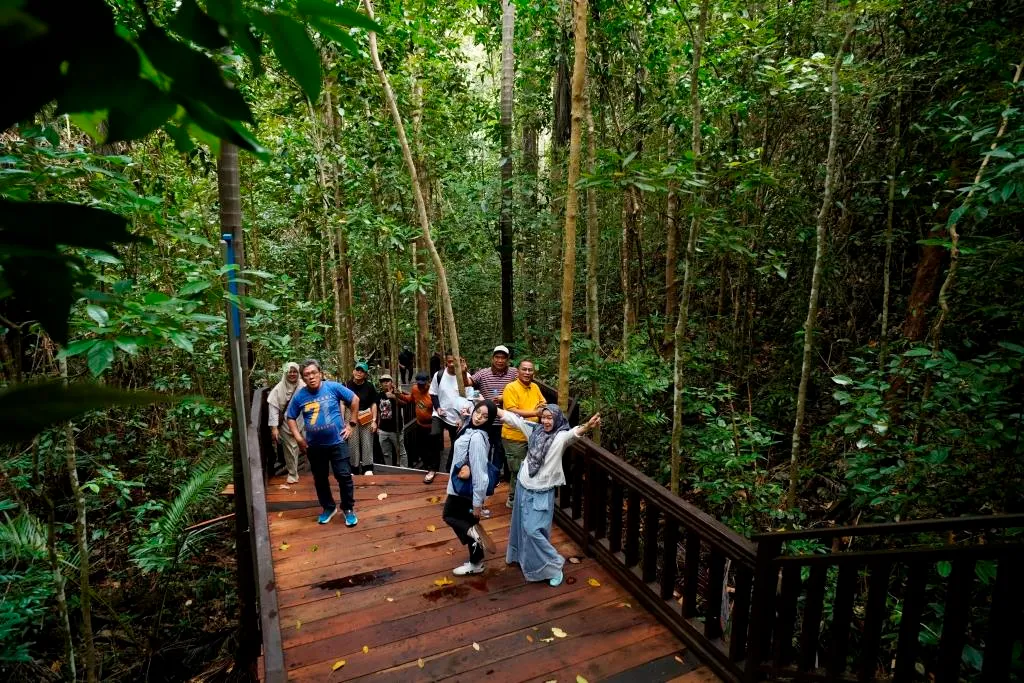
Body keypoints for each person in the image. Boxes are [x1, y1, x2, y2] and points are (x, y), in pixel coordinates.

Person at [501, 405, 601, 586]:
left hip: (542, 491)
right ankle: (520, 557)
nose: (546, 421)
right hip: (523, 486)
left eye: (550, 418)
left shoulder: (560, 437)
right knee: (519, 526)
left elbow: (574, 433)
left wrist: (588, 426)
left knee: (533, 531)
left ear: (557, 419)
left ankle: (554, 564)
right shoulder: (534, 430)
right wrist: (488, 408)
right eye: (544, 417)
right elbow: (512, 419)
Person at [286, 359, 360, 526]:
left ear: (320, 373)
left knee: (344, 476)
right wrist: (299, 438)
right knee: (320, 478)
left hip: (337, 442)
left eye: (313, 373)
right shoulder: (300, 396)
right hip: (314, 446)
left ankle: (348, 509)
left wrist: (351, 424)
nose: (311, 377)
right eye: (306, 375)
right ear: (303, 378)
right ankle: (328, 507)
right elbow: (290, 417)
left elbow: (354, 399)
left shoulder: (333, 387)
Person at [442, 400, 499, 576]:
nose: (479, 417)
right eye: (478, 412)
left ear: (490, 420)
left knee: (450, 516)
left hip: (465, 491)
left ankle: (476, 561)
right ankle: (476, 556)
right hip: (460, 487)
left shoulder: (477, 438)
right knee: (465, 521)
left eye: (485, 416)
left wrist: (477, 504)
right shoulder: (470, 428)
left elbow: (481, 473)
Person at [500, 359, 546, 508]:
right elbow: (512, 411)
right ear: (518, 371)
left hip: (532, 435)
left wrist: (540, 408)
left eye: (530, 370)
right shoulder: (510, 388)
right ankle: (513, 500)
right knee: (518, 469)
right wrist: (534, 412)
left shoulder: (535, 387)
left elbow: (542, 403)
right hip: (514, 436)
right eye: (524, 369)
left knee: (531, 466)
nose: (527, 373)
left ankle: (525, 497)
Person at [469, 345, 518, 481]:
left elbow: (525, 382)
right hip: (486, 420)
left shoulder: (514, 373)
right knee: (484, 447)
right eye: (497, 357)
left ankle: (493, 476)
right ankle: (481, 474)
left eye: (503, 358)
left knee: (500, 450)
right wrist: (461, 371)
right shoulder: (483, 373)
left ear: (507, 359)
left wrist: (505, 397)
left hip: (504, 421)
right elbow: (468, 382)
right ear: (492, 358)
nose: (500, 360)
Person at [429, 352, 472, 475]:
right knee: (434, 435)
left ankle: (449, 469)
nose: (452, 364)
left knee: (457, 443)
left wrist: (463, 417)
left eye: (455, 361)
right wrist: (437, 408)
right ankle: (433, 468)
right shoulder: (439, 375)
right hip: (440, 414)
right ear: (445, 362)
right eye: (449, 361)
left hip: (458, 417)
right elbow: (433, 393)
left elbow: (470, 398)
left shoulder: (466, 376)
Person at [267, 362, 305, 484]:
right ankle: (293, 474)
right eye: (290, 372)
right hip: (286, 422)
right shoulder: (279, 388)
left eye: (295, 371)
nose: (292, 374)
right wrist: (274, 428)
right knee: (289, 449)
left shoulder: (304, 386)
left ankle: (315, 471)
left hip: (303, 421)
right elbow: (273, 408)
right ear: (285, 373)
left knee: (308, 445)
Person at [346, 361, 379, 476]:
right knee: (352, 442)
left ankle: (367, 467)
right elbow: (342, 402)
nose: (359, 373)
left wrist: (374, 421)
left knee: (367, 441)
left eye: (362, 371)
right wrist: (343, 421)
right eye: (357, 370)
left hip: (366, 414)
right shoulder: (347, 385)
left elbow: (374, 403)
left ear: (365, 374)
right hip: (351, 415)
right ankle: (354, 468)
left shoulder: (369, 386)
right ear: (353, 371)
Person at [409, 372, 439, 479]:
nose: (421, 387)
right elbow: (411, 399)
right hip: (420, 425)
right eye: (419, 384)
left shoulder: (433, 394)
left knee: (433, 448)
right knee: (421, 448)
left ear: (429, 382)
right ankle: (427, 466)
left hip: (432, 426)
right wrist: (398, 396)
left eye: (423, 384)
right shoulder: (415, 389)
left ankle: (434, 468)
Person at [376, 373, 410, 467]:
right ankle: (389, 470)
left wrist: (394, 397)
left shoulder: (397, 393)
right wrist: (378, 427)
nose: (385, 383)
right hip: (383, 430)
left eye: (387, 381)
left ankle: (404, 470)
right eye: (383, 382)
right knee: (386, 453)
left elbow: (404, 404)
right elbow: (378, 412)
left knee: (401, 452)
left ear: (391, 382)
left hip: (396, 430)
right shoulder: (379, 395)